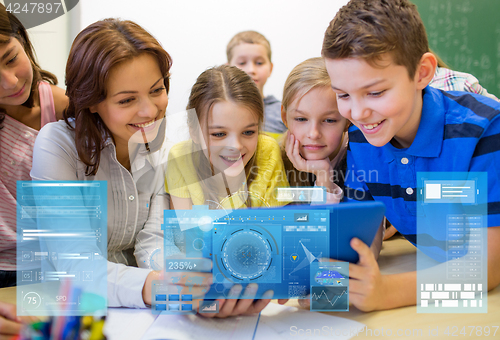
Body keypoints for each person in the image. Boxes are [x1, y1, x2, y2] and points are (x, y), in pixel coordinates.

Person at [321, 0, 500, 311]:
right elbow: (363, 238)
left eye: (375, 92)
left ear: (422, 73)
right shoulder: (362, 141)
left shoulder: (483, 129)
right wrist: (324, 281)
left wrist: (386, 292)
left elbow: (487, 268)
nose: (359, 113)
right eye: (343, 95)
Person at [30, 19, 212, 309]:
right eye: (127, 100)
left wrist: (184, 277)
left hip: (141, 310)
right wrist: (157, 285)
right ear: (90, 101)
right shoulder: (57, 146)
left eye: (156, 90)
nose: (150, 110)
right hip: (70, 310)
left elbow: (153, 240)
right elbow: (75, 263)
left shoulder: (164, 147)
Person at [0, 3, 68, 289]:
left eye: (11, 58)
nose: (10, 82)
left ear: (23, 39)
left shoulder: (62, 106)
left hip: (49, 265)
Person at [166, 65, 289, 210]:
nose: (236, 146)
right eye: (219, 134)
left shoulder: (267, 151)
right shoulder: (180, 158)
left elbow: (275, 227)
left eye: (248, 132)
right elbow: (184, 231)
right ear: (194, 131)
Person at [280, 57, 348, 204]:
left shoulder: (361, 155)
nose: (313, 133)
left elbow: (328, 225)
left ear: (347, 120)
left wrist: (324, 176)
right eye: (301, 119)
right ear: (284, 117)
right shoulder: (275, 159)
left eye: (329, 120)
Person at [227, 31, 287, 134]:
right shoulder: (219, 109)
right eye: (242, 63)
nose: (251, 70)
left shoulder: (283, 112)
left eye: (259, 63)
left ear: (270, 68)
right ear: (227, 68)